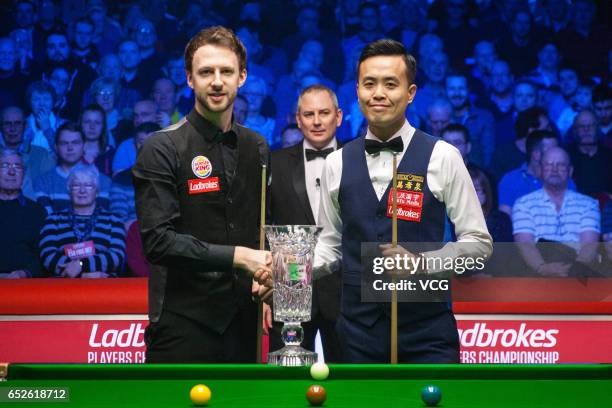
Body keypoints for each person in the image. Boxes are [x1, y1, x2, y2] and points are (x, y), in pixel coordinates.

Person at [314, 39, 492, 363]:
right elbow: (329, 246)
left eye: (390, 84)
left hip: (428, 335)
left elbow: (479, 246)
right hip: (356, 336)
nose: (378, 93)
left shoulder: (443, 156)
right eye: (369, 84)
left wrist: (423, 263)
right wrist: (291, 271)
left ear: (410, 93)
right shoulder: (335, 163)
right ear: (357, 91)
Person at [132, 26, 272, 363]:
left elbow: (262, 226)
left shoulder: (257, 147)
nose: (217, 81)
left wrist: (268, 280)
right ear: (189, 79)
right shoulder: (161, 147)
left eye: (226, 71)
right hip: (182, 325)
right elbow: (158, 242)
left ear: (242, 77)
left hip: (245, 323)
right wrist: (240, 257)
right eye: (206, 72)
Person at [268, 84, 343, 362]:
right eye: (308, 114)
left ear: (339, 116)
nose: (317, 121)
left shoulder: (360, 160)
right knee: (286, 385)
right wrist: (268, 293)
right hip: (290, 291)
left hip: (347, 296)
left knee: (353, 387)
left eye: (324, 113)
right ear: (297, 119)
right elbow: (263, 227)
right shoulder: (274, 163)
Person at [513, 147, 600, 276]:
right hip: (538, 272)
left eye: (560, 165)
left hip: (579, 271)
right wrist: (543, 269)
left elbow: (589, 244)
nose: (554, 169)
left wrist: (575, 271)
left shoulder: (589, 204)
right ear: (540, 170)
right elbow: (525, 244)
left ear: (570, 171)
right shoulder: (523, 204)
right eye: (548, 165)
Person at [39, 164, 125, 278]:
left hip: (104, 286)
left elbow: (117, 256)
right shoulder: (53, 220)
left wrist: (81, 265)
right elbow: (47, 255)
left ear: (97, 191)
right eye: (76, 185)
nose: (82, 190)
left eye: (89, 185)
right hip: (63, 286)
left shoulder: (114, 220)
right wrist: (83, 274)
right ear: (69, 190)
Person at [34, 122, 111, 214]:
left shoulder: (102, 181)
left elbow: (101, 219)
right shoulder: (43, 182)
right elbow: (47, 220)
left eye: (75, 143)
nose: (70, 148)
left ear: (84, 146)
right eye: (64, 143)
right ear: (56, 147)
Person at [0, 149, 47, 278]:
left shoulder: (37, 212)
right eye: (5, 166)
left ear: (24, 174)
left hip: (24, 285)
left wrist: (24, 273)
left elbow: (43, 255)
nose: (11, 172)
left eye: (17, 167)